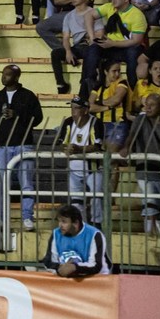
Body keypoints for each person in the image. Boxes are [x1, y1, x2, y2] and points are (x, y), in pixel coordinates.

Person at [0, 64, 44, 231]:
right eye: (3, 74)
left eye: (7, 75)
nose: (3, 77)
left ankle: (27, 217)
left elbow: (38, 117)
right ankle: (0, 218)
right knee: (1, 184)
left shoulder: (28, 96)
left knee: (26, 183)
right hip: (3, 146)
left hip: (23, 144)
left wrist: (18, 115)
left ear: (16, 77)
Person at [121, 93, 160, 233]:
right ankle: (150, 235)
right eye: (146, 104)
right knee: (150, 203)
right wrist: (127, 146)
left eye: (152, 105)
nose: (148, 107)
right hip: (145, 170)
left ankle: (157, 235)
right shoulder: (140, 120)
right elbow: (132, 135)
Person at [83, 0, 147, 89]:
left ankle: (133, 87)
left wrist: (113, 43)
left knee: (133, 52)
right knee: (92, 49)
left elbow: (136, 41)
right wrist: (92, 37)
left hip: (127, 46)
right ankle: (90, 83)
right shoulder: (109, 7)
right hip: (111, 45)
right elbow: (88, 15)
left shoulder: (137, 15)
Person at [60, 96, 105, 225]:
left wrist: (79, 149)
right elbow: (61, 143)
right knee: (76, 201)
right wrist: (66, 148)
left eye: (76, 108)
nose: (73, 111)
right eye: (72, 108)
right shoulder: (68, 122)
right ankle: (82, 226)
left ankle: (98, 225)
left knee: (97, 197)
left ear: (85, 110)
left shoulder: (95, 123)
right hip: (74, 168)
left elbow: (97, 146)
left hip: (93, 169)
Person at [51, 0, 103, 96]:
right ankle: (61, 84)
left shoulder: (94, 13)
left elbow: (100, 34)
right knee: (55, 53)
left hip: (90, 45)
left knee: (91, 54)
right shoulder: (68, 16)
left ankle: (84, 85)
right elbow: (65, 38)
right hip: (77, 46)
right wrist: (68, 51)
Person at [41, 204, 112, 276]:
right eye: (59, 221)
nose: (60, 225)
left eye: (64, 222)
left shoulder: (94, 235)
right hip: (66, 280)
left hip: (95, 280)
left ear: (76, 223)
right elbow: (49, 261)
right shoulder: (56, 234)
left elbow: (96, 266)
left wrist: (75, 268)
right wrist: (60, 267)